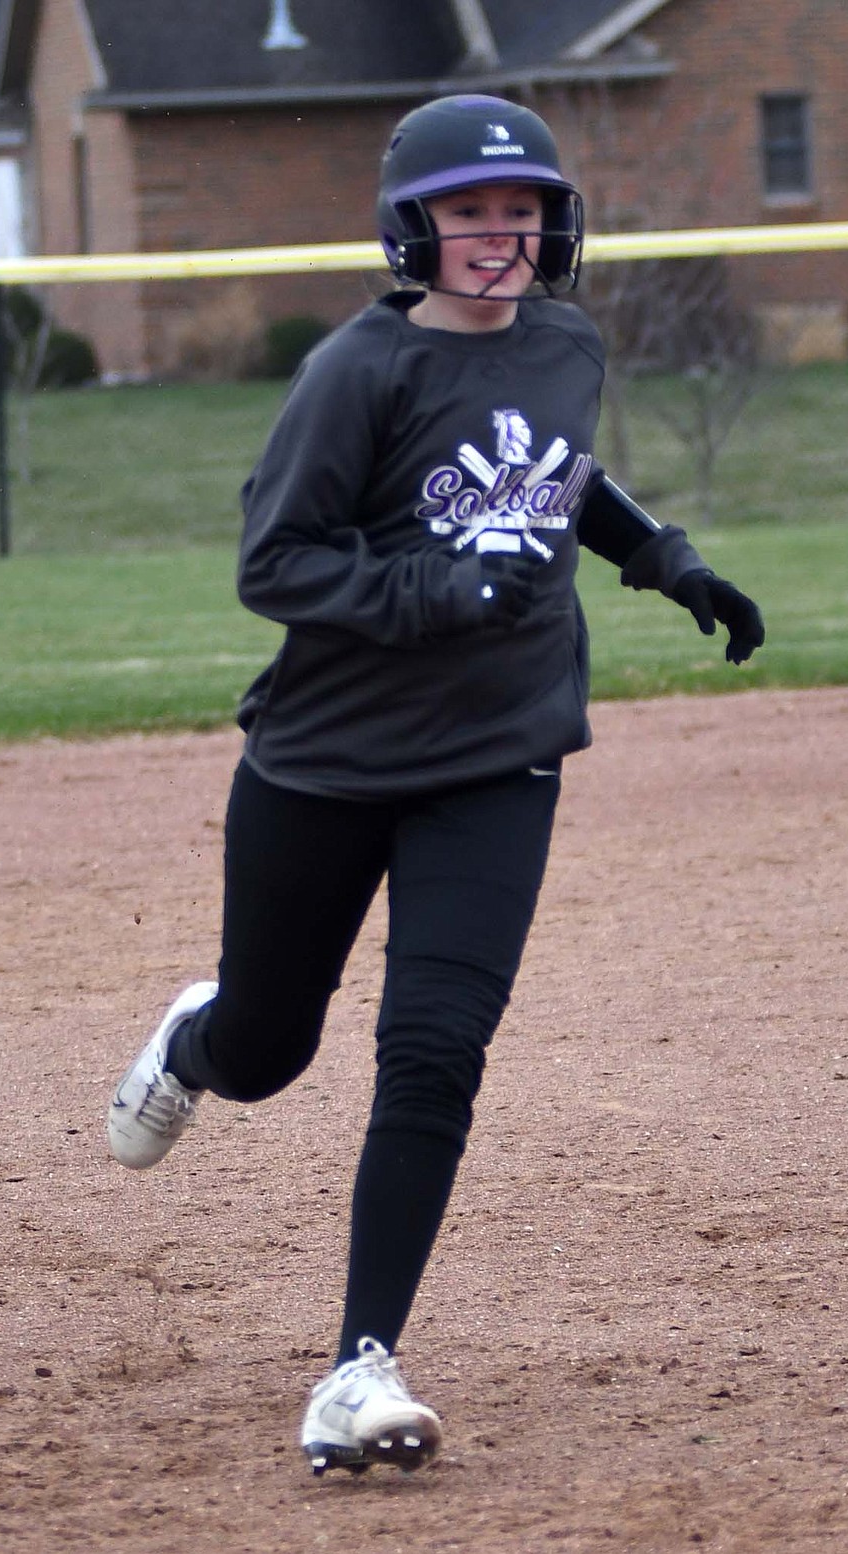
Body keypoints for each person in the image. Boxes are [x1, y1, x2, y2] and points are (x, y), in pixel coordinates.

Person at [105, 93, 765, 1479]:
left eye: (520, 207)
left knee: (434, 1049)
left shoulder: (567, 340)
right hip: (327, 758)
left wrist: (666, 558)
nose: (499, 232)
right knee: (272, 1051)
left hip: (502, 752)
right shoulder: (357, 372)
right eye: (470, 210)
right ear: (415, 227)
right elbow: (272, 565)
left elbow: (561, 476)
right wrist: (435, 583)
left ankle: (359, 1367)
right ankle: (198, 1040)